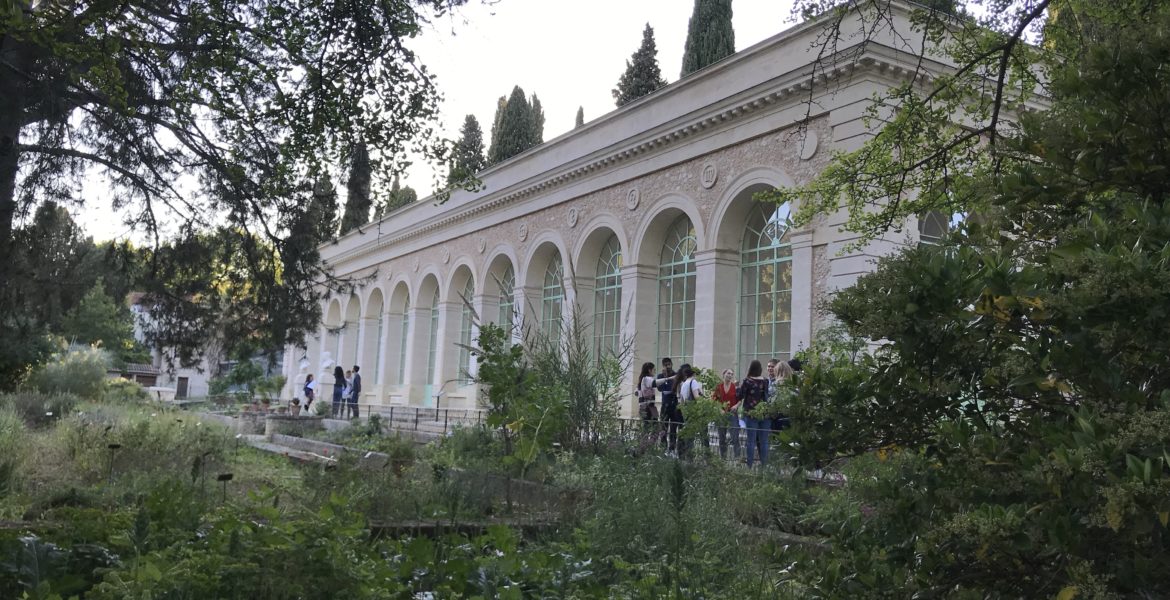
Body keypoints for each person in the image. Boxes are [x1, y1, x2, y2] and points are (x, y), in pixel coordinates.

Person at [738, 360, 770, 467]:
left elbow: (740, 395)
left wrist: (737, 388)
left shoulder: (747, 381)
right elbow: (766, 395)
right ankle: (764, 465)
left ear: (750, 368)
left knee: (750, 441)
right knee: (764, 441)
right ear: (760, 369)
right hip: (764, 413)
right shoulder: (765, 381)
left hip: (751, 413)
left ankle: (750, 465)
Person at [674, 364, 703, 457]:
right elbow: (697, 398)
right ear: (694, 374)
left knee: (687, 434)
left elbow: (682, 401)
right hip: (693, 411)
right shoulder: (693, 382)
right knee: (692, 436)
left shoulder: (684, 383)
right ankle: (690, 456)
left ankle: (684, 455)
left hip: (686, 412)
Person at [713, 368, 739, 460]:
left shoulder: (735, 387)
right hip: (721, 414)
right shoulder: (718, 387)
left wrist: (736, 405)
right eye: (728, 373)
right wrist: (720, 409)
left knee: (735, 437)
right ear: (723, 374)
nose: (730, 375)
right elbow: (714, 400)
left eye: (731, 374)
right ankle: (723, 459)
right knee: (722, 438)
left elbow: (740, 399)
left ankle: (737, 459)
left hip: (732, 414)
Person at [657, 358, 677, 453]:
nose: (668, 366)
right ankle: (663, 447)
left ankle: (672, 448)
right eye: (666, 365)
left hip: (674, 404)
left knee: (673, 428)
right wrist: (665, 377)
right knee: (663, 427)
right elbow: (660, 388)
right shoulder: (660, 376)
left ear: (672, 364)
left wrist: (669, 388)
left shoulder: (675, 375)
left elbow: (674, 388)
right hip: (665, 404)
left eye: (669, 364)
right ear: (663, 366)